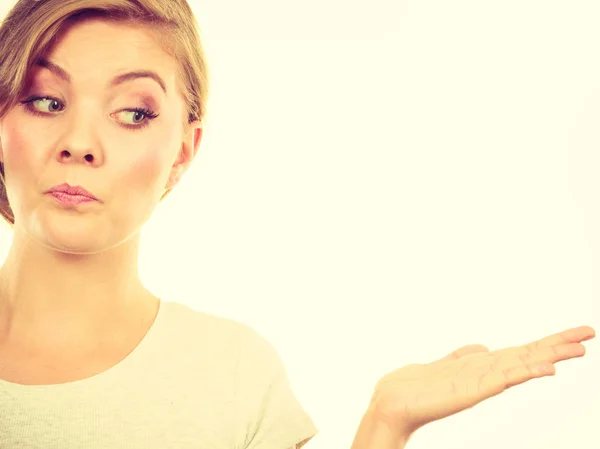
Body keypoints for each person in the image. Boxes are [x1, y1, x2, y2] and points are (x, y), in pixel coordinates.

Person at [0, 1, 594, 448]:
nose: (79, 144)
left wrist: (385, 423)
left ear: (182, 152)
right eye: (46, 101)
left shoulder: (232, 375)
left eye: (133, 113)